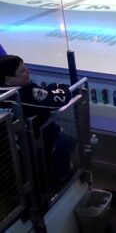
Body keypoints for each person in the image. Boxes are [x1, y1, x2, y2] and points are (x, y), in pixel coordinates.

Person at [0, 54, 74, 182]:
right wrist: (60, 86)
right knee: (65, 140)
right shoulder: (23, 94)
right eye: (22, 71)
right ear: (9, 79)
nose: (27, 71)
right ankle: (61, 177)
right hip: (32, 143)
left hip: (9, 149)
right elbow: (60, 98)